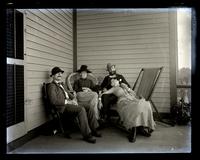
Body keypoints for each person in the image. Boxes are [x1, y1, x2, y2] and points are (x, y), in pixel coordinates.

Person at [47, 66, 101, 144]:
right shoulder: (51, 86)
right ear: (52, 76)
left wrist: (74, 99)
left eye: (60, 73)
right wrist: (68, 102)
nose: (59, 74)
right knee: (81, 109)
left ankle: (94, 129)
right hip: (62, 107)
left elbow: (69, 93)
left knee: (89, 106)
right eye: (57, 73)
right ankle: (87, 134)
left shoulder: (62, 84)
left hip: (70, 103)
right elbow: (53, 101)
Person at [101, 78, 156, 143]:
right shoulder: (113, 88)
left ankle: (141, 128)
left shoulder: (123, 85)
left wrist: (128, 89)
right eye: (111, 81)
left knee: (146, 104)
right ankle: (133, 129)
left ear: (118, 81)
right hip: (123, 101)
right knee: (134, 108)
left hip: (132, 99)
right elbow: (104, 93)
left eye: (114, 80)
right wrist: (102, 92)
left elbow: (134, 94)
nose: (113, 81)